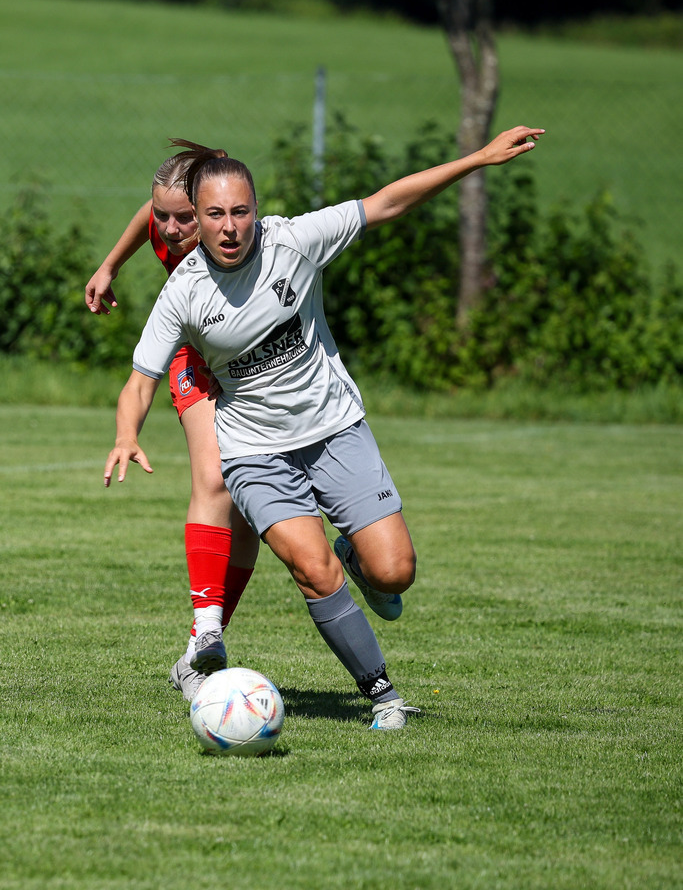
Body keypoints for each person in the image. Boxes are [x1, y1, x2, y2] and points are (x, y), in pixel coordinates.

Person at [103, 124, 544, 730]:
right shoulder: (182, 290)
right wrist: (128, 434)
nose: (228, 226)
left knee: (394, 573)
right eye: (213, 215)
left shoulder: (294, 240)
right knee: (310, 566)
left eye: (240, 212)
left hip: (335, 428)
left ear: (256, 211)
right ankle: (381, 693)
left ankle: (359, 558)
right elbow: (140, 379)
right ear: (193, 219)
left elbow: (386, 201)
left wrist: (480, 158)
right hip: (256, 450)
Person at [87, 153, 260, 701]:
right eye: (164, 217)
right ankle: (207, 631)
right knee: (215, 480)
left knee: (250, 519)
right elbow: (150, 213)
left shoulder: (239, 236)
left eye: (184, 217)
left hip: (257, 362)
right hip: (194, 359)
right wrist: (110, 265)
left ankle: (196, 650)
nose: (169, 229)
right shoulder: (170, 225)